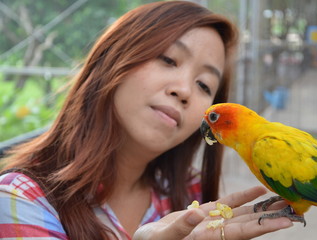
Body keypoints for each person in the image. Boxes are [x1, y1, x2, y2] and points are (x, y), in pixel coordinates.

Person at [0, 1, 293, 239]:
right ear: (113, 57)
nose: (184, 91)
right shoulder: (20, 200)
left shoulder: (191, 193)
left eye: (204, 86)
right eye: (168, 60)